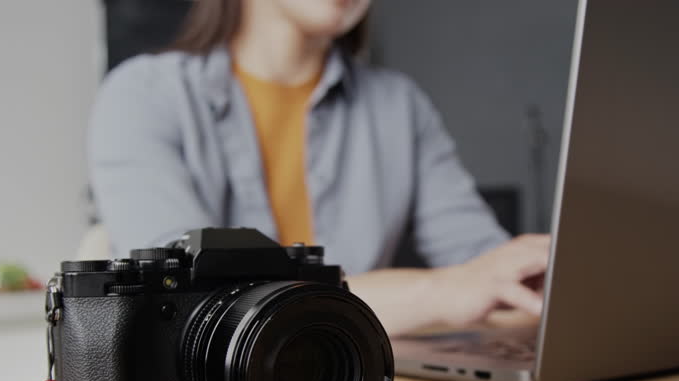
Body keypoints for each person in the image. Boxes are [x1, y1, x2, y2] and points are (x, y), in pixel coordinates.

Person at [88, 0, 550, 336]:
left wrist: (531, 277)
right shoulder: (142, 95)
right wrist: (439, 292)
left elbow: (481, 264)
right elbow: (187, 303)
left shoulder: (399, 105)